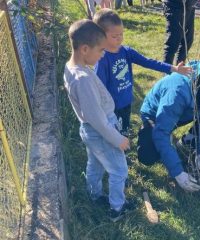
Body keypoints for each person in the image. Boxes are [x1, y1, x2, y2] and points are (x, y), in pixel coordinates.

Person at [64, 19, 134, 222]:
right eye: (101, 50)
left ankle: (94, 195)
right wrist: (117, 139)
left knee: (95, 164)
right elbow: (97, 119)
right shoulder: (82, 79)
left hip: (89, 131)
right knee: (119, 170)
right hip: (101, 132)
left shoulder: (72, 68)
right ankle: (117, 208)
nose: (103, 54)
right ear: (85, 49)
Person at [137, 60, 200, 192]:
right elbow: (161, 132)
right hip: (155, 115)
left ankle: (185, 141)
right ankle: (152, 133)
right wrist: (178, 173)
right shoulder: (178, 92)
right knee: (148, 156)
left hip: (181, 113)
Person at [93, 9, 192, 135]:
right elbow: (98, 87)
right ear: (100, 35)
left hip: (126, 102)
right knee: (113, 134)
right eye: (114, 36)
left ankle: (123, 143)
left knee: (123, 130)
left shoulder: (126, 52)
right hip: (110, 107)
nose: (119, 39)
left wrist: (174, 68)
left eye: (121, 34)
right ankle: (118, 151)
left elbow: (148, 62)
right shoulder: (101, 59)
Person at [162, 0, 196, 65]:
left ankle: (180, 70)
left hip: (189, 6)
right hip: (174, 6)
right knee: (173, 42)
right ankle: (167, 71)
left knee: (187, 41)